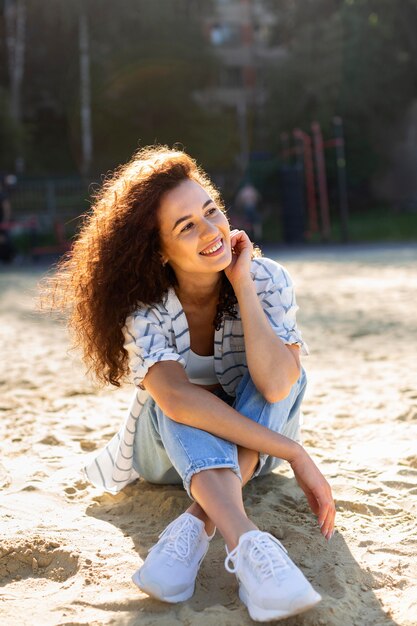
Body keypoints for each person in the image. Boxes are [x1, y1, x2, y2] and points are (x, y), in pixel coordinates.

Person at [43, 146, 335, 622]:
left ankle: (197, 523)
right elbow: (177, 399)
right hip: (166, 456)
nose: (210, 231)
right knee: (172, 400)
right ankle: (247, 542)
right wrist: (294, 452)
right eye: (186, 226)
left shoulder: (267, 279)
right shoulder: (144, 306)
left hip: (247, 452)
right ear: (158, 249)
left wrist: (242, 285)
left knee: (287, 375)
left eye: (211, 211)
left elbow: (279, 387)